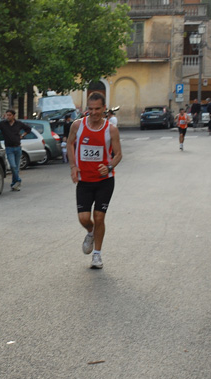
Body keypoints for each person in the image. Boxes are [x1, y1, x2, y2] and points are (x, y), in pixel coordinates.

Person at [67, 92, 122, 269]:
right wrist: (73, 167)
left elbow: (118, 154)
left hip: (104, 180)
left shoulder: (110, 129)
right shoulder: (77, 126)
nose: (94, 112)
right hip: (84, 180)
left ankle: (97, 255)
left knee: (99, 217)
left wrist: (110, 166)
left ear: (104, 108)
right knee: (84, 219)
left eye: (98, 109)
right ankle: (90, 232)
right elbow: (69, 144)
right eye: (90, 109)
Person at [0, 109, 31, 191]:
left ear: (14, 116)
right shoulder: (3, 124)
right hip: (9, 148)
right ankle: (18, 181)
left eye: (10, 115)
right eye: (7, 115)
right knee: (13, 166)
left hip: (18, 147)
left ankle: (14, 184)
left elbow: (28, 129)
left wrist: (23, 135)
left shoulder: (18, 123)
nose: (8, 116)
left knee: (16, 167)